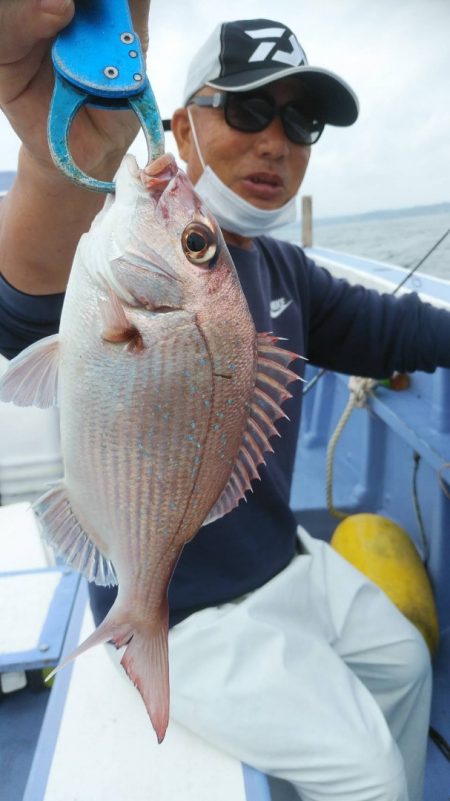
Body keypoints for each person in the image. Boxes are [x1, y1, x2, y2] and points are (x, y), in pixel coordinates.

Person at [0, 7, 449, 801]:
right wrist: (56, 163)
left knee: (406, 661)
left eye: (302, 121)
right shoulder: (109, 247)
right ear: (179, 122)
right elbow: (29, 303)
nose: (276, 141)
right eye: (246, 108)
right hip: (184, 607)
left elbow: (391, 328)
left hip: (284, 562)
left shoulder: (284, 269)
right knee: (370, 771)